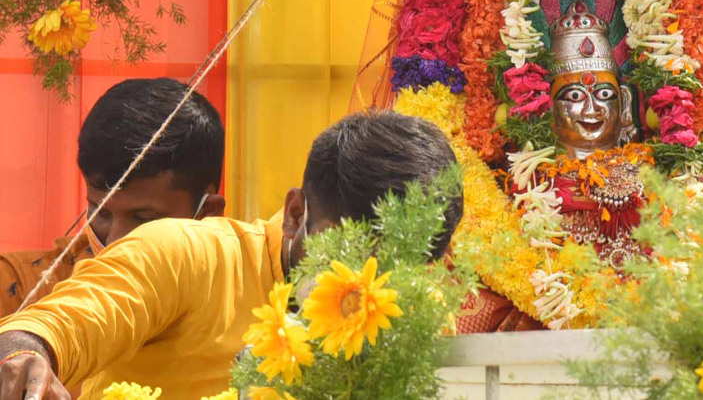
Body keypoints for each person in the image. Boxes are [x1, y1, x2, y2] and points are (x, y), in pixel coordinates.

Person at [0, 111, 462, 400]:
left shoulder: (415, 316)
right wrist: (24, 353)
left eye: (394, 272)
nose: (362, 286)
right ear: (295, 211)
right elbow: (57, 326)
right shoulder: (186, 255)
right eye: (340, 249)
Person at [0, 79, 226, 316]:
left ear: (207, 213)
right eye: (101, 213)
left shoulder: (248, 302)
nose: (114, 241)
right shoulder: (19, 288)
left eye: (143, 218)